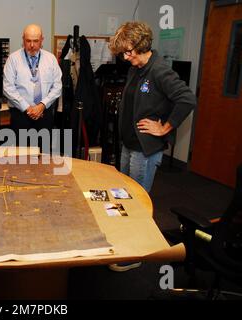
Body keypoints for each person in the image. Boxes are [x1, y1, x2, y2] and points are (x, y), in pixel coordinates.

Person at [107, 21, 196, 272]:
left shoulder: (159, 71)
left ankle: (137, 253)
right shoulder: (136, 68)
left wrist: (165, 127)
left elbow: (187, 99)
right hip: (129, 144)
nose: (125, 57)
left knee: (138, 202)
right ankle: (124, 242)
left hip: (144, 149)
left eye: (128, 51)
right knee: (123, 199)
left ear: (141, 45)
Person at [3, 24, 62, 145]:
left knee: (43, 155)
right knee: (21, 156)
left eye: (35, 41)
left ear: (42, 40)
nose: (31, 45)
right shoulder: (13, 59)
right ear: (23, 39)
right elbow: (8, 88)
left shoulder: (50, 59)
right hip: (21, 115)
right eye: (28, 40)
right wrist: (28, 108)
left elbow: (57, 86)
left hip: (44, 114)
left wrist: (42, 105)